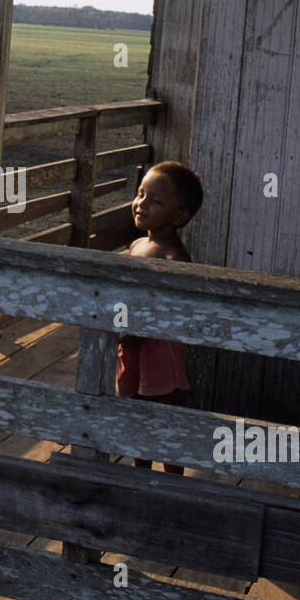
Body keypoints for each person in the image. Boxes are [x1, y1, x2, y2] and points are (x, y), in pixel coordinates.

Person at [116, 160, 204, 474]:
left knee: (163, 413)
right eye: (140, 194)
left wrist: (139, 328)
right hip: (129, 343)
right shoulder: (138, 244)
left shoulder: (174, 257)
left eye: (155, 201)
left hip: (158, 347)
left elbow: (174, 307)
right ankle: (140, 470)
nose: (141, 204)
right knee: (134, 408)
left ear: (180, 216)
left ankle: (172, 477)